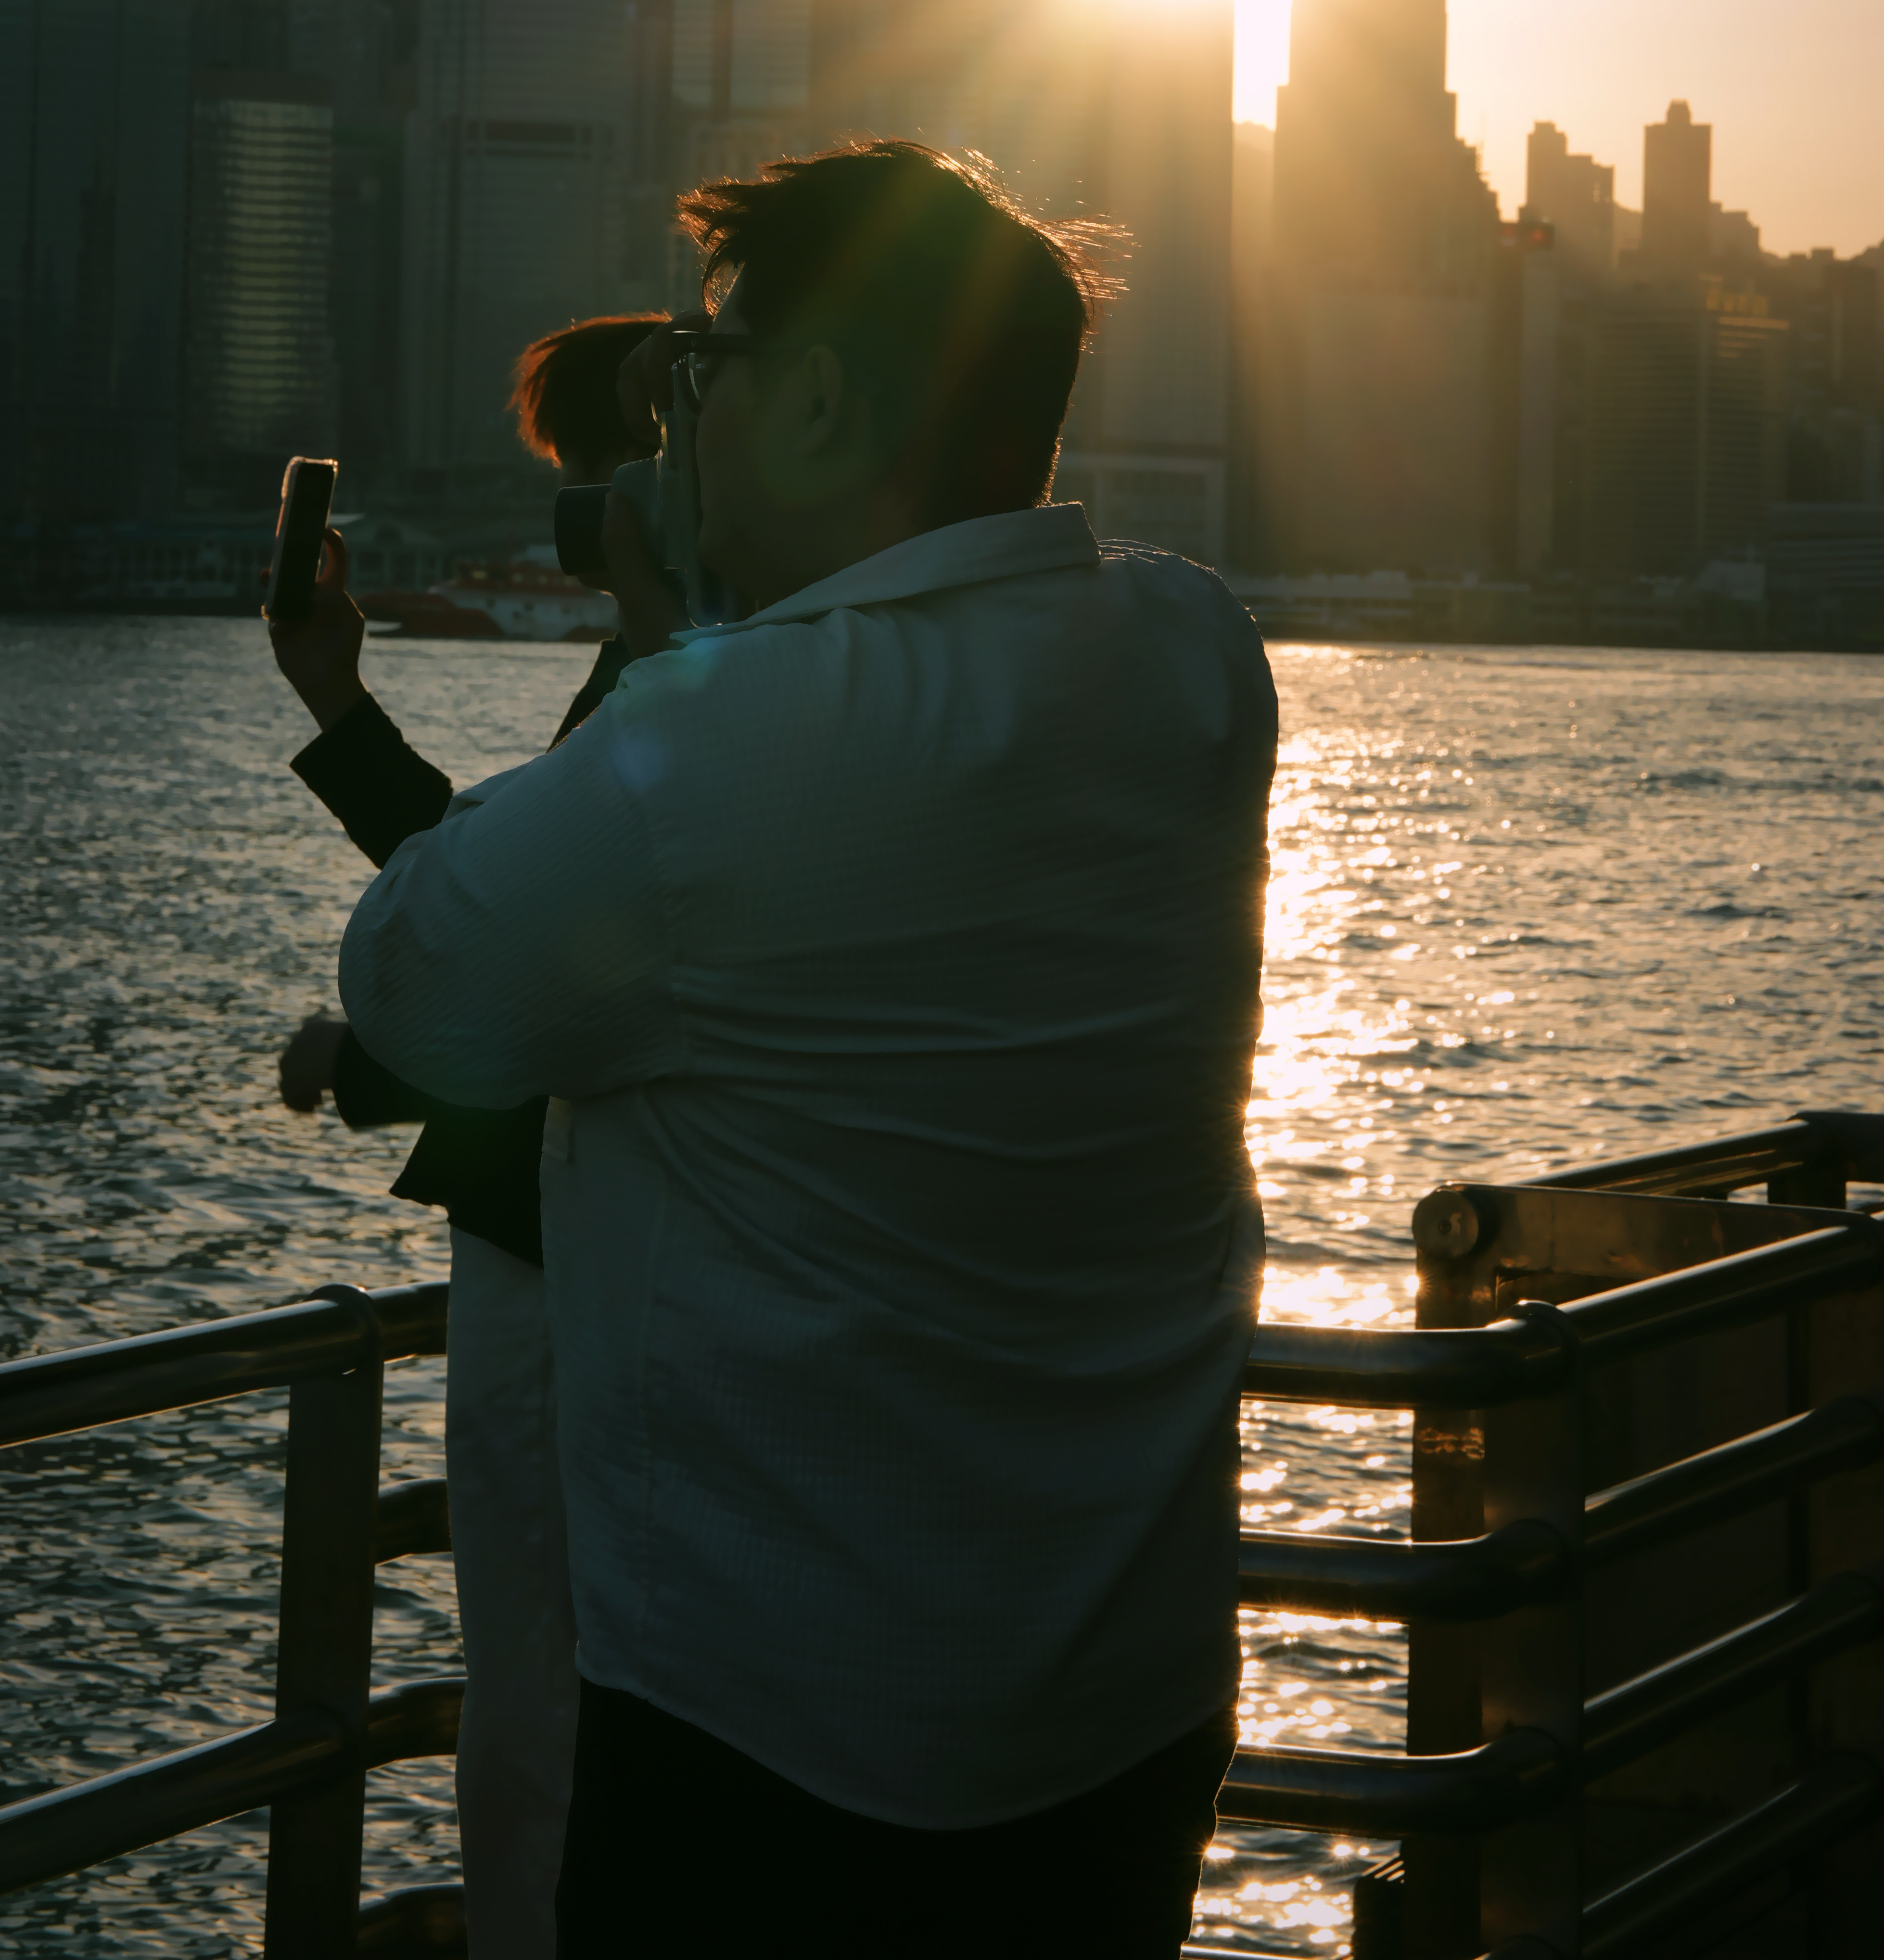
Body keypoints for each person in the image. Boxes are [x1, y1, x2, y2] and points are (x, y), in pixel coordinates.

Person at [339, 144, 1278, 1960]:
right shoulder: (1191, 651)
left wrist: (682, 617)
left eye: (704, 372)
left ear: (826, 397)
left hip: (773, 1749)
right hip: (1126, 1713)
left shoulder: (734, 745)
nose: (678, 422)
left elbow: (413, 980)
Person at [269, 312, 665, 1960]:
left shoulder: (671, 680)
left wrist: (381, 1059)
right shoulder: (691, 668)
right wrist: (335, 696)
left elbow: (548, 966)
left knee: (539, 1682)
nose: (585, 519)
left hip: (563, 1259)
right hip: (616, 1252)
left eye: (605, 471)